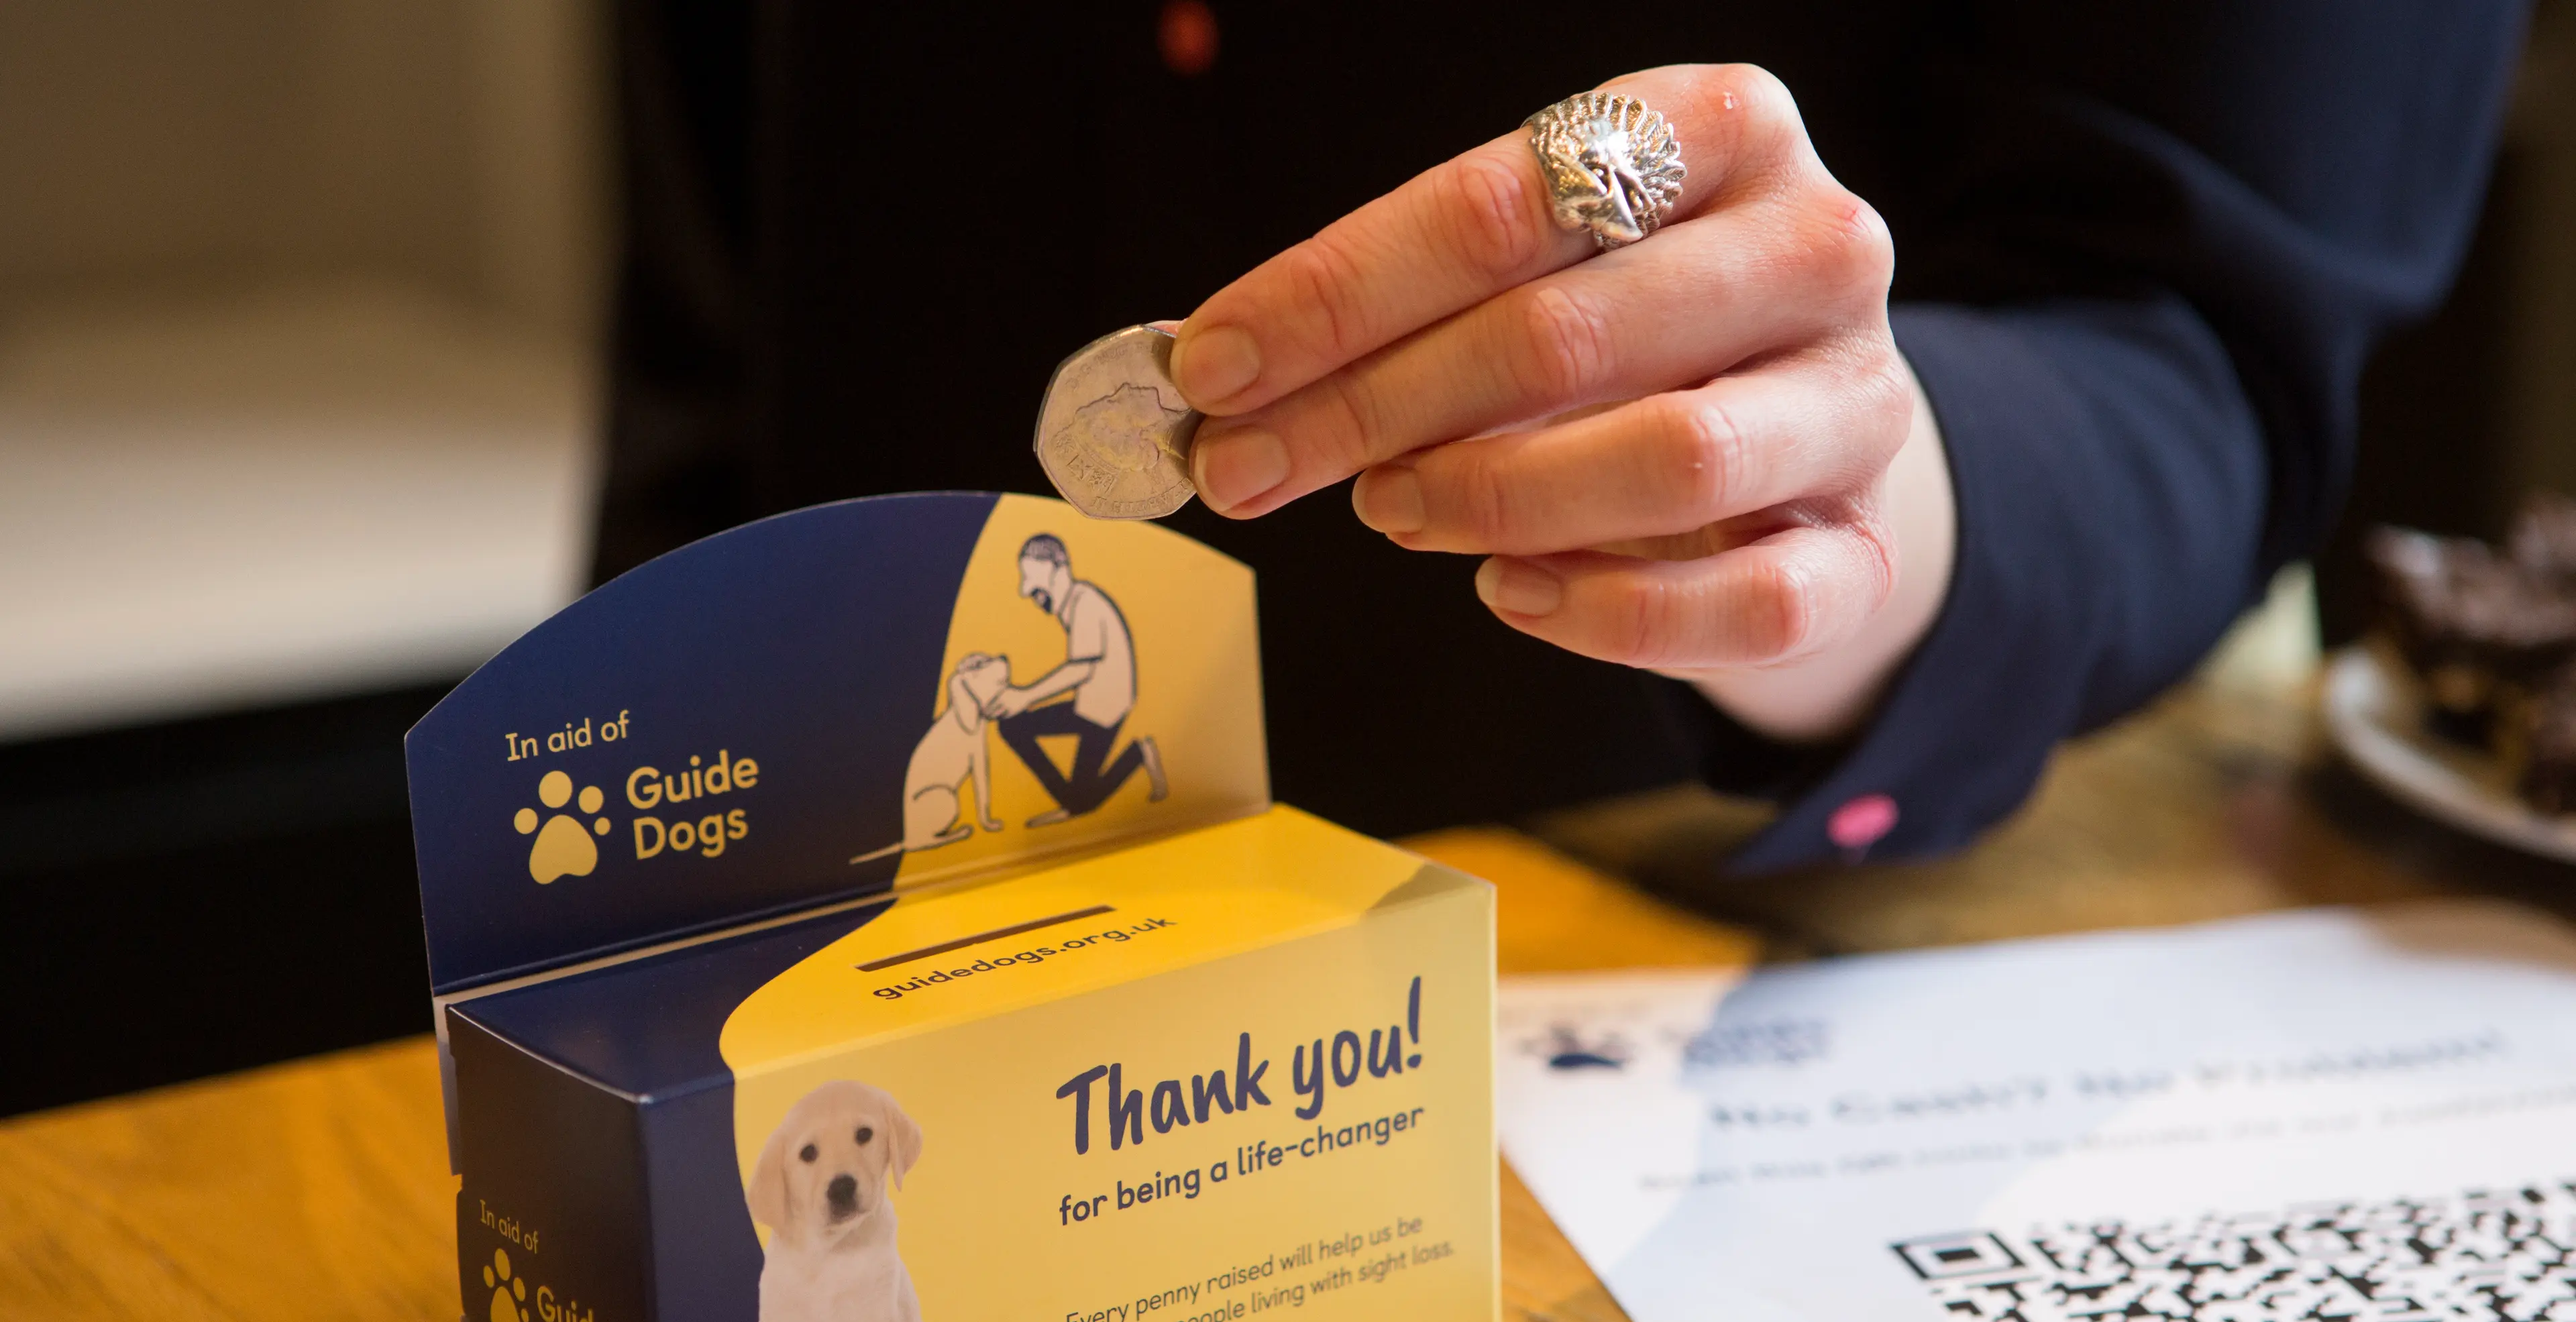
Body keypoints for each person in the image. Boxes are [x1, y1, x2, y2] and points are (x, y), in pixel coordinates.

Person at [592, 3, 2528, 864]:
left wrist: (1850, 495)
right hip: (842, 885)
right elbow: (709, 238)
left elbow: (2204, 327)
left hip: (1650, 979)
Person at [990, 534, 1168, 826]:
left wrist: (1024, 696)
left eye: (1032, 577)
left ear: (1057, 569)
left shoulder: (1085, 603)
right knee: (1013, 727)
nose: (1027, 590)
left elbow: (1080, 669)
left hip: (1104, 709)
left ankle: (1135, 756)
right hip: (1089, 703)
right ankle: (1075, 797)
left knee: (1082, 802)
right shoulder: (1071, 604)